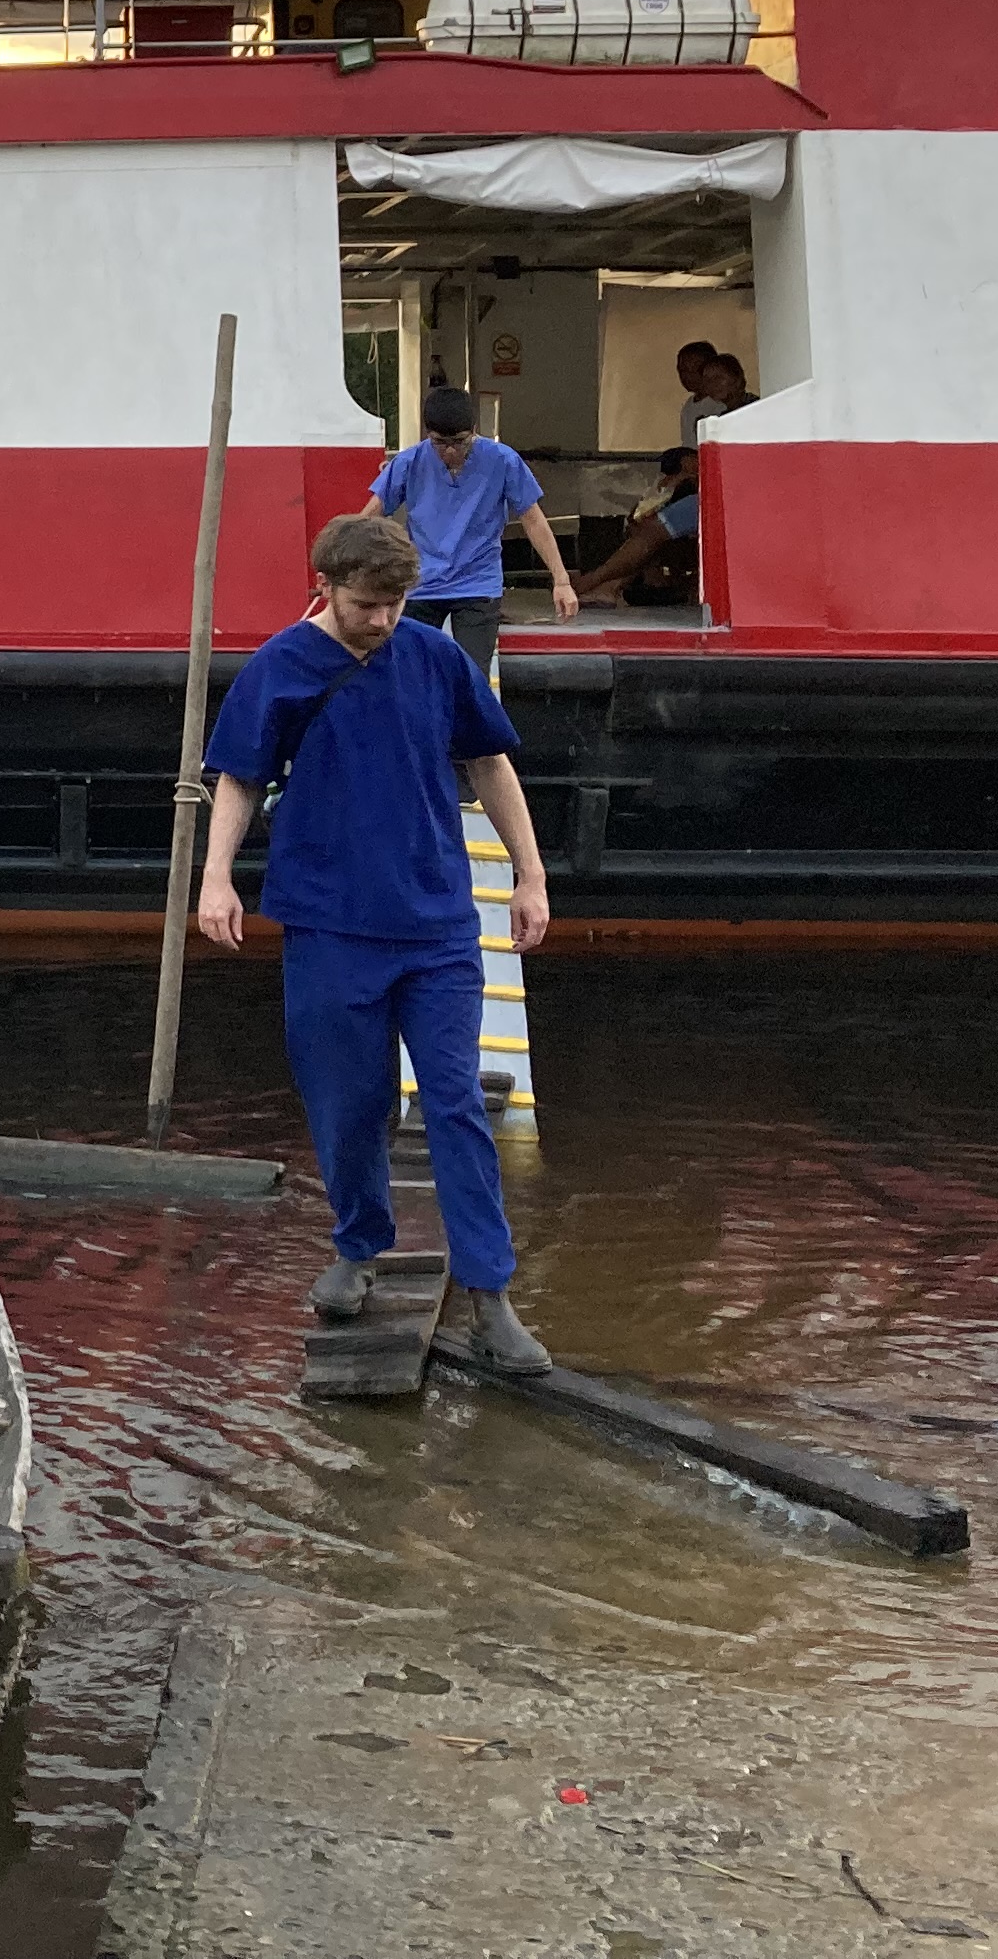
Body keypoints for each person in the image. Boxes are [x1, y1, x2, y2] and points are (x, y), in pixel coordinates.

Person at [199, 512, 554, 1374]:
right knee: (348, 1104)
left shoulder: (433, 657)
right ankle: (359, 1246)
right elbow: (239, 776)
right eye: (366, 605)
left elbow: (490, 763)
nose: (382, 620)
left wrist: (530, 873)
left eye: (396, 604)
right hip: (327, 925)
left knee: (456, 1103)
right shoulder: (280, 667)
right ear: (326, 587)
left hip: (435, 924)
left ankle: (490, 1293)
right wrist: (215, 878)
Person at [360, 388, 576, 678]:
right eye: (440, 442)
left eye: (459, 442)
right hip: (421, 582)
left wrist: (561, 580)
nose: (450, 450)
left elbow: (533, 519)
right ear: (427, 435)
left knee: (472, 677)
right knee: (410, 674)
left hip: (478, 583)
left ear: (474, 431)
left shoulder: (502, 460)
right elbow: (368, 518)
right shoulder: (409, 462)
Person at [584, 345, 752, 604]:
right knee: (645, 520)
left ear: (739, 377)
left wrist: (685, 475)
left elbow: (721, 464)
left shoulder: (747, 414)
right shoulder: (720, 414)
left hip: (728, 498)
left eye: (719, 378)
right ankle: (623, 582)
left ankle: (598, 581)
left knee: (652, 527)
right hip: (709, 490)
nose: (712, 385)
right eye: (708, 379)